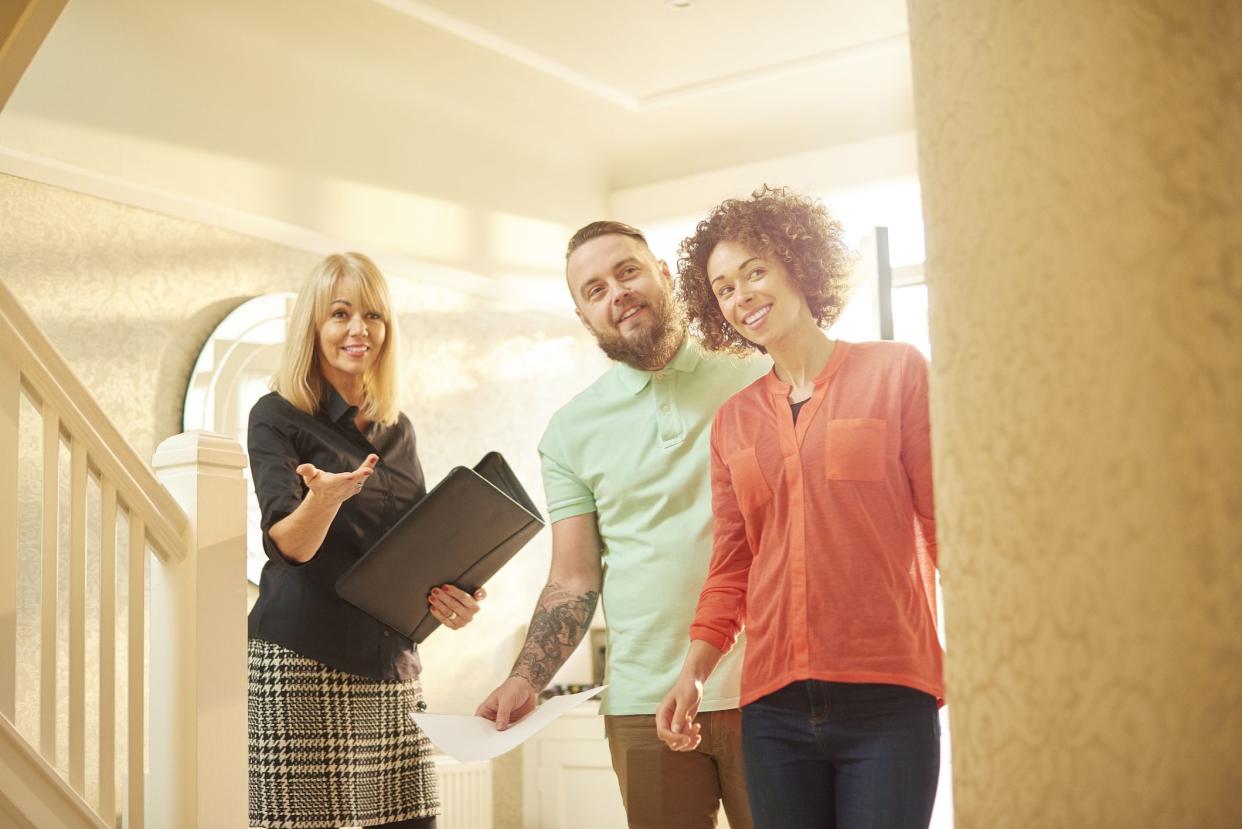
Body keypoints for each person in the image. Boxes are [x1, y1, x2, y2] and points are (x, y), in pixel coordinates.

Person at [656, 187, 943, 829]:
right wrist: (693, 675)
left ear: (798, 265)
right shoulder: (733, 422)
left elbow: (944, 524)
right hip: (774, 708)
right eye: (724, 287)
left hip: (889, 693)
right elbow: (732, 568)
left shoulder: (898, 372)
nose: (741, 295)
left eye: (754, 271)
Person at [475, 222, 766, 829]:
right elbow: (575, 577)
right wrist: (527, 676)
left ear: (662, 271)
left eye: (627, 271)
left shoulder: (755, 371)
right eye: (594, 289)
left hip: (767, 689)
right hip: (642, 704)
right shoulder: (570, 431)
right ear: (585, 316)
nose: (616, 293)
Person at [246, 252, 486, 829]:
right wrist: (324, 499)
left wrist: (458, 595)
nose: (359, 330)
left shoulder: (397, 429)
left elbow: (417, 547)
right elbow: (290, 545)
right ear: (313, 326)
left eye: (373, 315)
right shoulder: (276, 417)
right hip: (304, 664)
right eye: (340, 314)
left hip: (392, 670)